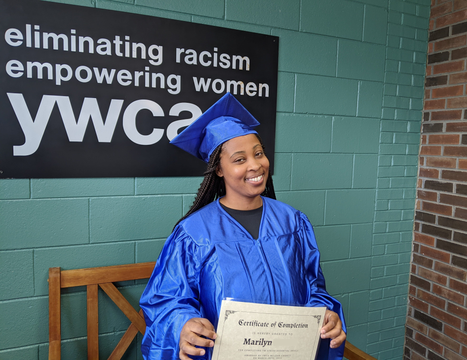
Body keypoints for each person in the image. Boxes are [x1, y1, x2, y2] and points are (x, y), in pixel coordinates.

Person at [140, 93, 347, 360]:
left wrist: (325, 315)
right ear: (219, 170)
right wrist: (183, 325)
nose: (255, 164)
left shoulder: (293, 222)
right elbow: (166, 301)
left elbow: (314, 288)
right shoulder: (194, 234)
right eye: (239, 159)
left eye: (258, 153)